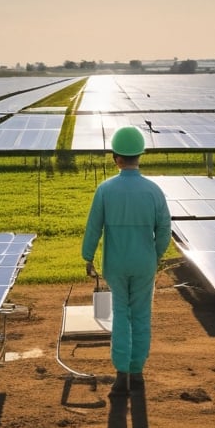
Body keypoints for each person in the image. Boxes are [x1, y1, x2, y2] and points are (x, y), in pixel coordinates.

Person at [81, 125, 172, 397]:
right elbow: (165, 229)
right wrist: (154, 255)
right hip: (144, 263)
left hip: (116, 265)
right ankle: (137, 372)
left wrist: (88, 257)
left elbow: (93, 227)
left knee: (120, 315)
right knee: (142, 315)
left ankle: (121, 376)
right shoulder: (154, 190)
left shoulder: (105, 189)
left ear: (116, 157)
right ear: (139, 156)